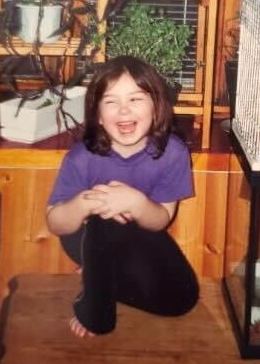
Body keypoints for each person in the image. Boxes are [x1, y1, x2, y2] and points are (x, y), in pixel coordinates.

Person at [46, 55, 199, 338]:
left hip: (141, 245)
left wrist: (136, 202)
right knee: (105, 217)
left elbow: (160, 221)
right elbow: (56, 223)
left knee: (184, 298)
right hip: (84, 239)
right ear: (99, 116)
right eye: (111, 101)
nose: (123, 110)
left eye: (135, 99)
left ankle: (100, 279)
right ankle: (95, 311)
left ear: (156, 106)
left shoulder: (173, 152)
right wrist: (88, 201)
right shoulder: (82, 156)